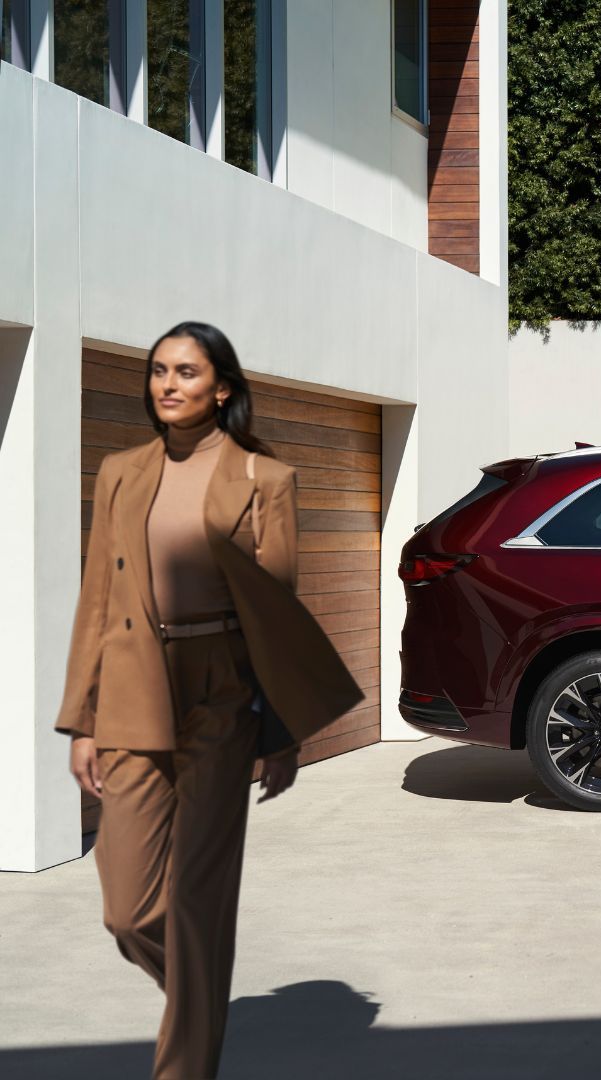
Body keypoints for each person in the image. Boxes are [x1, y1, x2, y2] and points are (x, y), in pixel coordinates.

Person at [55, 321, 364, 1079]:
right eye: (159, 370)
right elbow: (96, 600)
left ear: (222, 388)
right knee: (128, 911)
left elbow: (278, 618)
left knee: (199, 898)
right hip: (132, 686)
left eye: (186, 372)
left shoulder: (266, 480)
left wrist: (280, 734)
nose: (168, 384)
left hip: (222, 692)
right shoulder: (121, 472)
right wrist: (81, 720)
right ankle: (199, 995)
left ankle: (186, 1061)